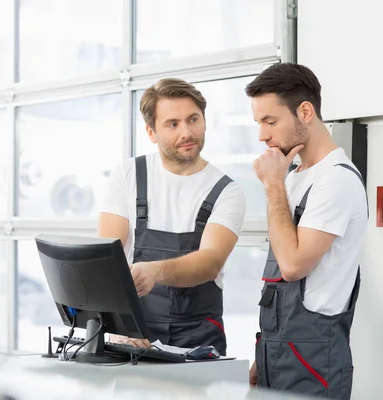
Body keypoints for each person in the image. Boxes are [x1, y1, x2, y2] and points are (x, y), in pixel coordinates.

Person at [97, 78, 246, 355]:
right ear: (151, 132)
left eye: (193, 119)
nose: (187, 132)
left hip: (199, 339)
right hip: (133, 334)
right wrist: (122, 328)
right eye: (173, 124)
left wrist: (153, 271)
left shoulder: (226, 191)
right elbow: (107, 257)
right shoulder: (128, 175)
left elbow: (210, 262)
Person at [246, 63, 368, 399]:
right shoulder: (295, 176)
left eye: (270, 121)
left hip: (313, 359)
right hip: (278, 352)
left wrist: (272, 184)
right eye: (258, 123)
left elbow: (293, 265)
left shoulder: (336, 179)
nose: (262, 135)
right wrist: (266, 354)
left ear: (305, 111)